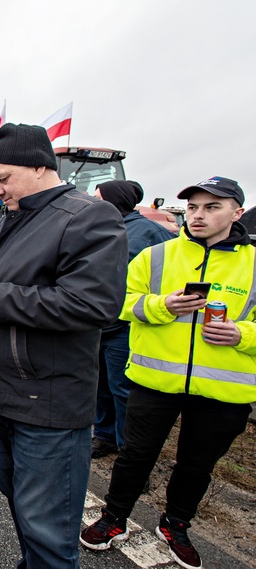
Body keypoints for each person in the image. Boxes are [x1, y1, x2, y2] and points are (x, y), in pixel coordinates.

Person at [0, 123, 128, 567]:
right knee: (25, 512)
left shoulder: (89, 216)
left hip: (49, 403)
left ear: (41, 166)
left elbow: (95, 304)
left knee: (48, 530)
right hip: (7, 395)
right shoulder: (12, 220)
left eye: (4, 178)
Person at [80, 177, 255, 569]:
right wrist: (163, 306)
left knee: (197, 464)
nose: (198, 215)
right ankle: (114, 518)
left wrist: (240, 333)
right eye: (193, 207)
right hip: (154, 380)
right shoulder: (156, 255)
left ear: (237, 213)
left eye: (212, 207)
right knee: (135, 455)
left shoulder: (254, 264)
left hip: (223, 390)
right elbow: (117, 302)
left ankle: (176, 524)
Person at [89, 180, 176, 459]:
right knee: (100, 385)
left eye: (98, 197)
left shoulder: (152, 233)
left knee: (123, 390)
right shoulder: (96, 228)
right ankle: (104, 435)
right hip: (96, 323)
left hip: (125, 327)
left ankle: (131, 450)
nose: (92, 203)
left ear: (115, 200)